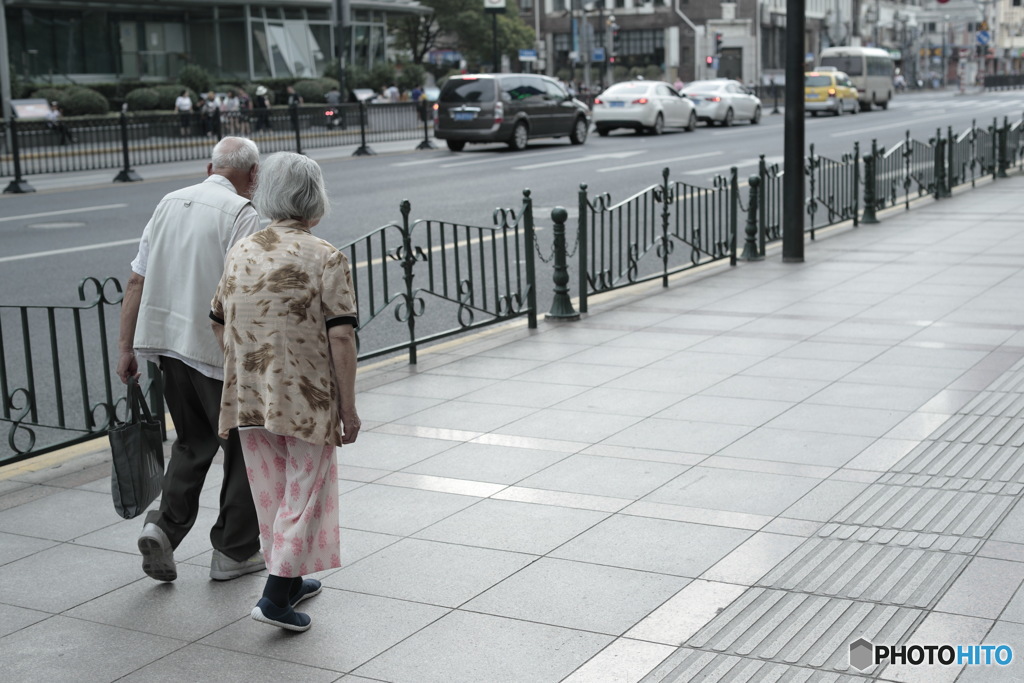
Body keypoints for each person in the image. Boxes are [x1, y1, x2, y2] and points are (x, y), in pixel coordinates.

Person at [210, 152, 360, 632]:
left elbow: (217, 319)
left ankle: (291, 577)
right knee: (306, 492)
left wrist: (246, 363)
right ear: (314, 197)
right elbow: (341, 336)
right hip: (305, 397)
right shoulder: (324, 256)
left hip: (248, 394)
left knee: (271, 492)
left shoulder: (242, 251)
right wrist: (349, 407)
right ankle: (274, 598)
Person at [116, 137, 264, 584]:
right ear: (253, 176)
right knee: (243, 449)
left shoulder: (168, 202)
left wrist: (126, 348)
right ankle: (234, 552)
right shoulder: (243, 213)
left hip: (167, 348)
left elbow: (136, 281)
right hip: (214, 353)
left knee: (191, 442)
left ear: (209, 167)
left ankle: (164, 527)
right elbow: (242, 293)